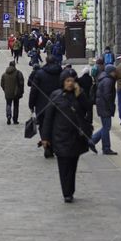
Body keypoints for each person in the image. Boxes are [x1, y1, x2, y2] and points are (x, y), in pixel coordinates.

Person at [39, 70, 93, 203]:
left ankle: (71, 190)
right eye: (67, 81)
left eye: (72, 81)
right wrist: (45, 138)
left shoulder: (79, 95)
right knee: (64, 167)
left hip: (76, 138)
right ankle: (66, 193)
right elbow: (48, 118)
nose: (70, 83)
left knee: (73, 166)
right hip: (60, 137)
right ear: (63, 82)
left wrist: (80, 95)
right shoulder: (56, 96)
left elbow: (88, 108)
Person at [28, 56, 63, 158]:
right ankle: (54, 145)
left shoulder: (40, 73)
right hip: (58, 104)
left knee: (43, 126)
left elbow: (34, 90)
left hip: (42, 105)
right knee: (56, 125)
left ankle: (47, 146)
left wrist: (31, 104)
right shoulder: (61, 72)